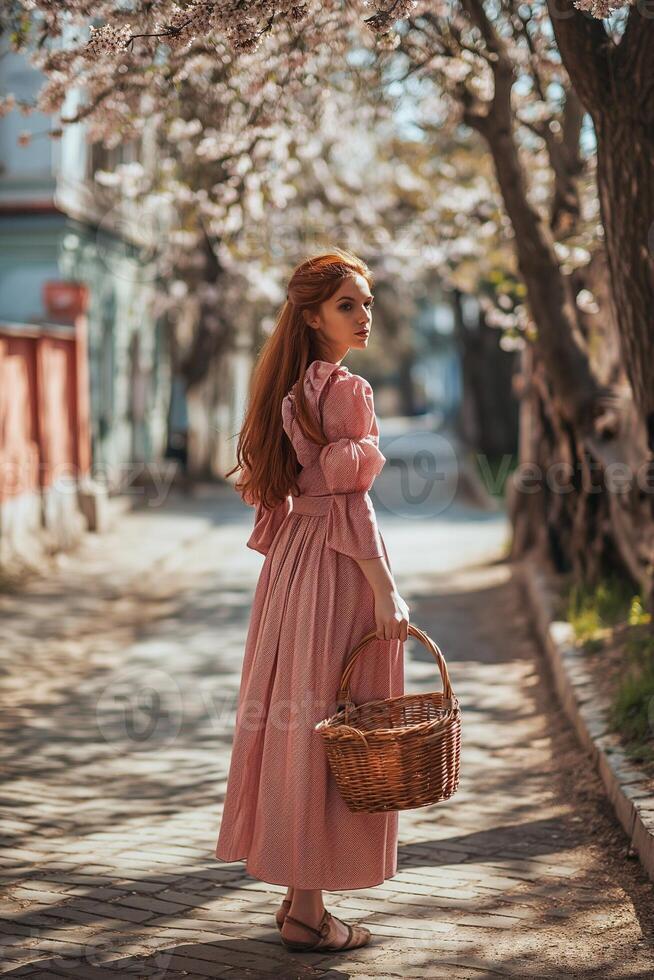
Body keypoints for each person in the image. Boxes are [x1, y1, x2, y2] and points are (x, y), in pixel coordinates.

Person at [214, 247, 410, 953]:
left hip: (297, 566)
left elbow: (288, 498)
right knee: (341, 720)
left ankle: (303, 900)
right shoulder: (346, 391)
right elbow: (355, 506)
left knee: (307, 722)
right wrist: (384, 588)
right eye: (348, 305)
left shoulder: (291, 388)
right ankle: (306, 911)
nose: (364, 316)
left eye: (366, 303)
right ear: (312, 314)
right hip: (336, 567)